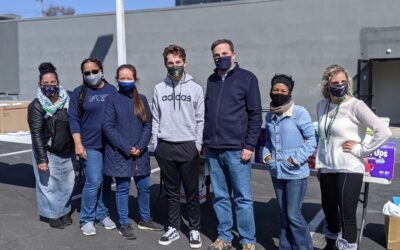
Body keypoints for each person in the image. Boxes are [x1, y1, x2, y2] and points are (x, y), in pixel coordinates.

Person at [316, 64, 392, 250]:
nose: (340, 85)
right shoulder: (322, 105)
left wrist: (362, 151)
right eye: (335, 82)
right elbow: (323, 136)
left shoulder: (356, 105)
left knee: (347, 215)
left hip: (349, 167)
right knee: (329, 210)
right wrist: (320, 164)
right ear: (327, 84)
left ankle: (348, 247)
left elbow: (384, 132)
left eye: (343, 81)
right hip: (327, 167)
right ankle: (332, 241)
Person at [203, 39, 262, 250]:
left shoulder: (247, 78)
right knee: (219, 196)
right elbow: (207, 113)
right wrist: (205, 140)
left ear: (234, 54)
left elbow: (255, 115)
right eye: (217, 55)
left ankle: (247, 241)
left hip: (238, 149)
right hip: (213, 148)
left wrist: (249, 146)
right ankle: (224, 237)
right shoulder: (211, 80)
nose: (221, 57)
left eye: (224, 53)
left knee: (242, 198)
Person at [102, 64, 163, 240]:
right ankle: (123, 223)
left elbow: (148, 124)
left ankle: (145, 219)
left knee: (144, 188)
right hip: (120, 154)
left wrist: (140, 146)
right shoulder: (111, 99)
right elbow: (108, 127)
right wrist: (127, 148)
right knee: (122, 189)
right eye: (122, 78)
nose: (126, 81)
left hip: (140, 154)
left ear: (135, 79)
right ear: (117, 79)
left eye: (129, 78)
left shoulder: (142, 99)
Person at [152, 44, 204, 248]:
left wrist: (197, 145)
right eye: (170, 63)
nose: (174, 66)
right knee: (172, 192)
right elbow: (155, 118)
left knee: (191, 192)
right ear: (165, 63)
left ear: (185, 62)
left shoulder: (196, 88)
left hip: (187, 146)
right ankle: (173, 227)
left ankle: (194, 230)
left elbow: (201, 119)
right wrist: (156, 144)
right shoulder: (159, 88)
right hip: (165, 146)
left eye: (178, 62)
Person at [262, 74, 316, 250]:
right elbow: (268, 142)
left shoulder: (299, 113)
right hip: (276, 171)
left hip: (296, 173)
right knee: (284, 213)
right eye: (275, 90)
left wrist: (297, 158)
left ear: (290, 92)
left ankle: (304, 247)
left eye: (283, 90)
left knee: (293, 214)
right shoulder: (270, 116)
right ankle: (285, 246)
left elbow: (311, 140)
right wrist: (267, 156)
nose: (279, 93)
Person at [69, 58, 117, 236]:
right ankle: (87, 219)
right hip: (89, 145)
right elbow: (73, 119)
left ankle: (102, 214)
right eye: (87, 73)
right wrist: (78, 144)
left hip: (110, 145)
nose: (91, 75)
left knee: (106, 181)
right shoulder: (78, 92)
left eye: (94, 71)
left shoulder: (112, 90)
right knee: (93, 181)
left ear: (102, 70)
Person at [28, 62, 75, 229]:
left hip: (67, 150)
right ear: (40, 84)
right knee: (48, 186)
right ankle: (52, 215)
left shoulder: (69, 98)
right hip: (47, 151)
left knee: (67, 184)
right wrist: (41, 159)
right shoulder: (37, 105)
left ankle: (63, 211)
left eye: (52, 82)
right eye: (45, 83)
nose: (49, 86)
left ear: (58, 82)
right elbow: (36, 134)